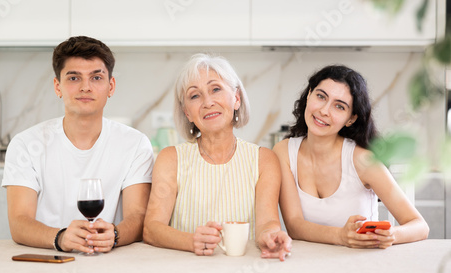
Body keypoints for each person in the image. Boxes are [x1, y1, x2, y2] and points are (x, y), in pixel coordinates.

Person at [2, 36, 154, 254]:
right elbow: (19, 222)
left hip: (111, 263)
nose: (85, 87)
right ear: (57, 86)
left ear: (111, 86)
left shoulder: (136, 145)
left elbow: (138, 217)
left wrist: (115, 235)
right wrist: (60, 237)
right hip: (47, 260)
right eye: (74, 78)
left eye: (96, 78)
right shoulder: (25, 144)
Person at [143, 53, 292, 261]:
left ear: (236, 98)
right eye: (195, 96)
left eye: (216, 89)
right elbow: (152, 228)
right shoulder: (171, 159)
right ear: (187, 113)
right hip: (183, 272)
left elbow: (267, 222)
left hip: (242, 270)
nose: (208, 102)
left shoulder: (263, 160)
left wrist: (272, 236)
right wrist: (191, 241)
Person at [273, 64, 429, 249]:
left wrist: (391, 235)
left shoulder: (363, 161)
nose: (324, 111)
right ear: (309, 95)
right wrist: (340, 236)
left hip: (361, 267)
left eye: (339, 106)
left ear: (351, 119)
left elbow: (420, 226)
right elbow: (294, 226)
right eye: (321, 96)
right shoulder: (284, 152)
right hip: (308, 265)